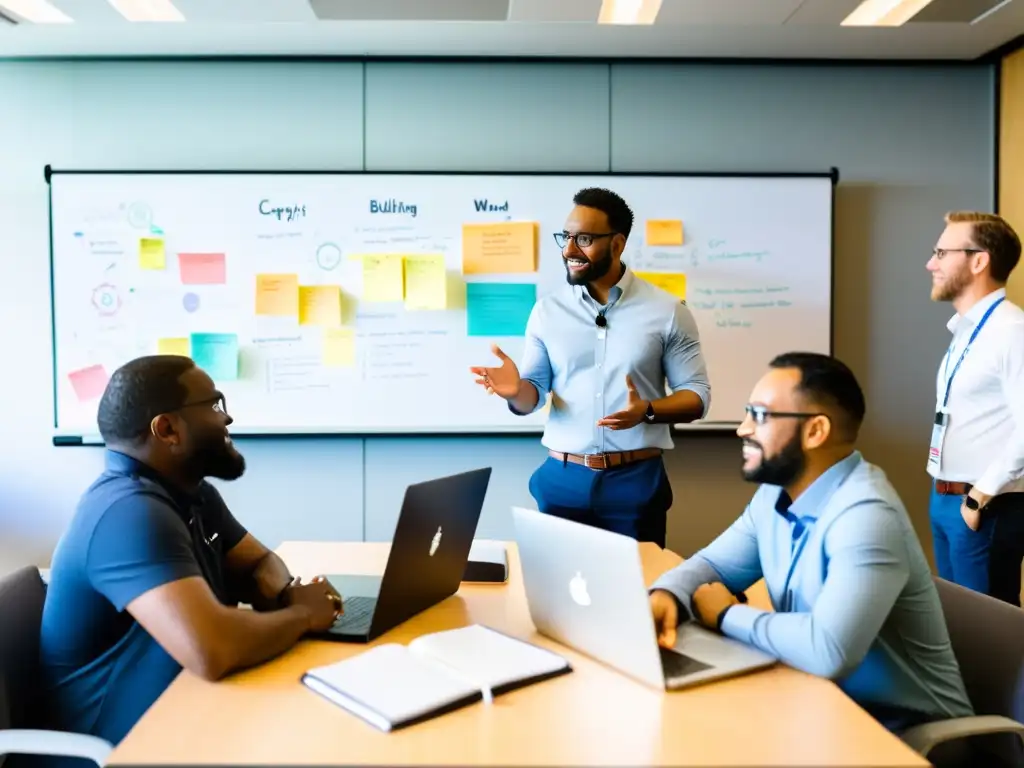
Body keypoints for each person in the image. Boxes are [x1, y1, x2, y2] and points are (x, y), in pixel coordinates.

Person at [647, 352, 973, 733]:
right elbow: (715, 566)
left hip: (907, 732)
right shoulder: (774, 496)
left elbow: (827, 651)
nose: (743, 429)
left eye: (760, 415)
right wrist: (666, 595)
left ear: (816, 430)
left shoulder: (867, 514)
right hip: (817, 702)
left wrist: (725, 615)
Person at [37, 355, 343, 748]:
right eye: (214, 405)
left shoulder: (193, 495)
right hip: (119, 747)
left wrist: (282, 592)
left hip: (187, 712)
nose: (227, 419)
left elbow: (260, 562)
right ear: (168, 429)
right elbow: (210, 650)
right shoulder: (127, 512)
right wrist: (302, 615)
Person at [469, 187, 710, 547]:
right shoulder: (547, 312)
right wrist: (516, 390)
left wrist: (646, 410)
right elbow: (532, 395)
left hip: (635, 481)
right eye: (566, 237)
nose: (569, 250)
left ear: (617, 244)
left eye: (584, 239)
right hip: (562, 479)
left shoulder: (668, 311)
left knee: (636, 595)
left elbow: (697, 396)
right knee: (557, 597)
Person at [925, 211, 1024, 604]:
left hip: (984, 506)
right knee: (959, 630)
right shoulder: (966, 330)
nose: (931, 263)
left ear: (979, 260)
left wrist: (979, 496)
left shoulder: (1011, 331)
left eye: (941, 252)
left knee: (989, 643)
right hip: (946, 497)